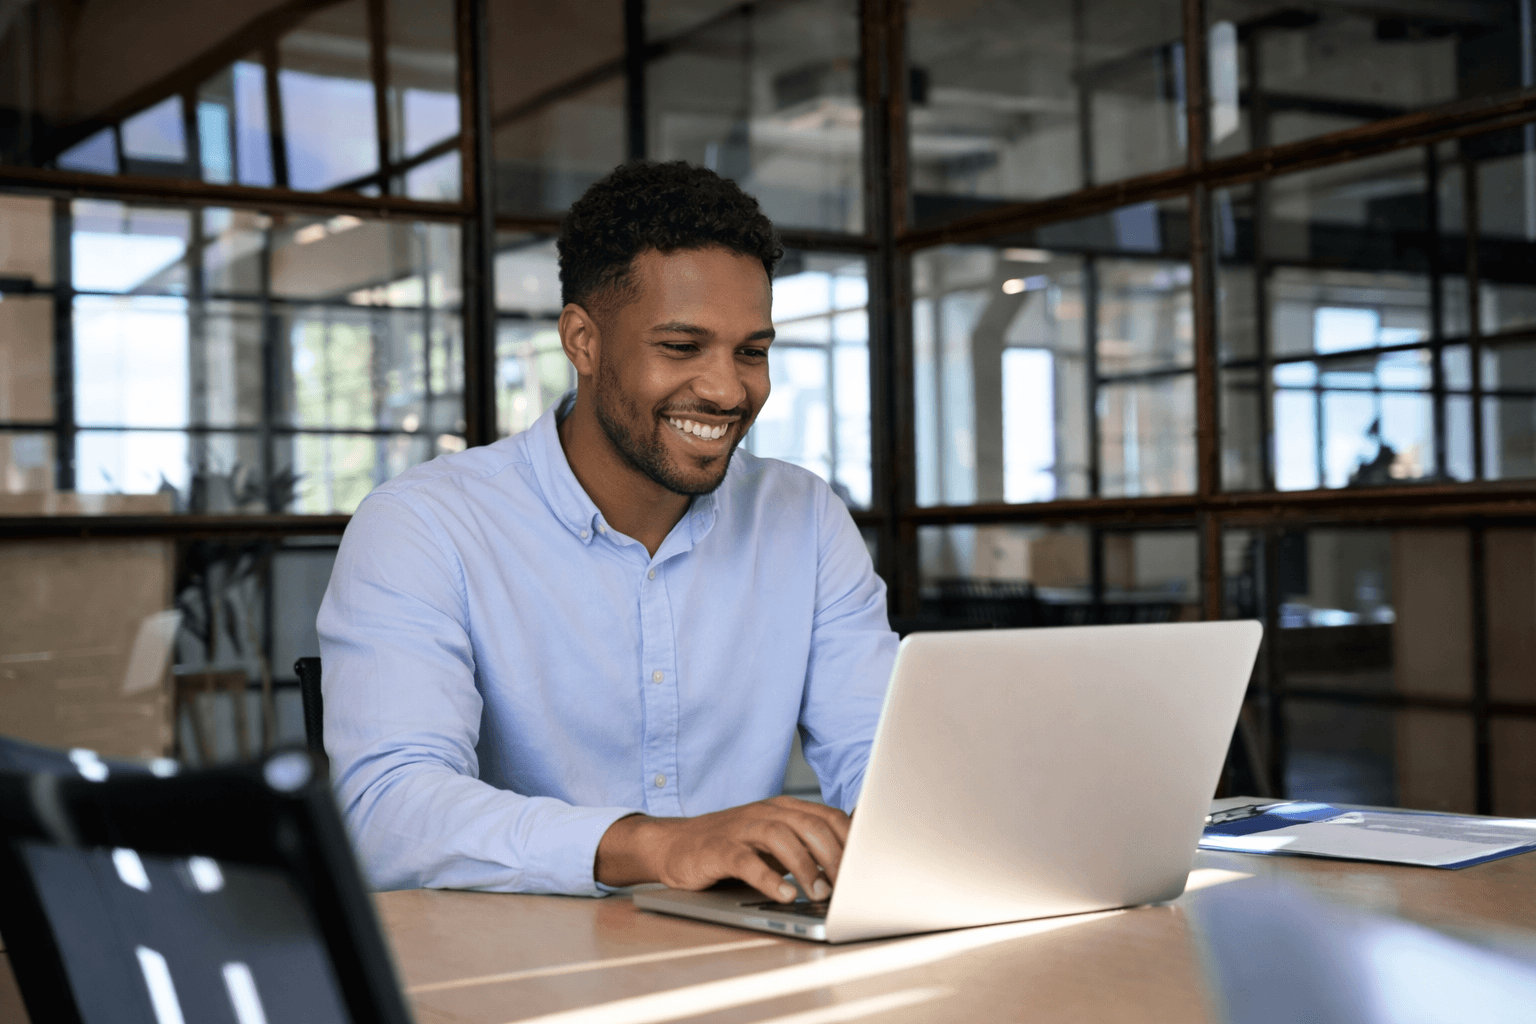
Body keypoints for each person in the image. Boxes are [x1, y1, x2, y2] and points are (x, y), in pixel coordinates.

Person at [318, 161, 897, 904]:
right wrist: (659, 846)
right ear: (582, 341)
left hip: (749, 953)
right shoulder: (426, 526)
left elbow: (885, 763)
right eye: (682, 347)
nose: (727, 390)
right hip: (513, 974)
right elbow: (386, 813)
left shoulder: (806, 518)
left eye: (751, 351)